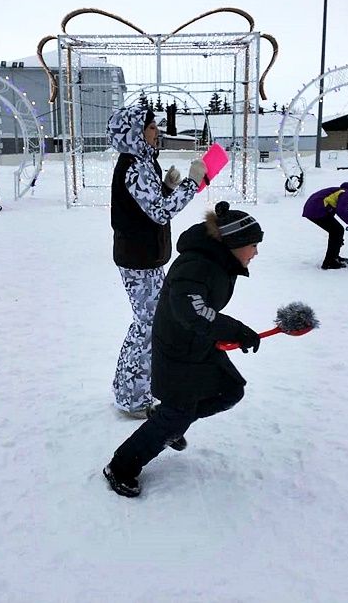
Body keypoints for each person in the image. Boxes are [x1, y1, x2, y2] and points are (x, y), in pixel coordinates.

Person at [103, 201, 264, 497]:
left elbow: (202, 314)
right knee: (177, 413)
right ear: (236, 243)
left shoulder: (220, 260)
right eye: (253, 245)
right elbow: (193, 311)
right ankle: (121, 466)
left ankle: (168, 423)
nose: (255, 252)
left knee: (229, 391)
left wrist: (228, 333)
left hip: (200, 343)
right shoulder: (197, 266)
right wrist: (235, 330)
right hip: (177, 349)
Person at [109, 104, 207, 418]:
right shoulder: (136, 165)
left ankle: (129, 390)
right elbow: (160, 212)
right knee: (149, 325)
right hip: (139, 260)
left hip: (144, 257)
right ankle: (134, 399)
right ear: (135, 133)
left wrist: (167, 187)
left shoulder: (141, 161)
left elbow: (149, 204)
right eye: (151, 127)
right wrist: (192, 183)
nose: (157, 132)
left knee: (148, 323)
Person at [302, 182, 348, 269]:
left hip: (315, 207)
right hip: (316, 208)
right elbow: (341, 211)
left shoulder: (346, 192)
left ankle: (334, 257)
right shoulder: (347, 194)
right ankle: (329, 262)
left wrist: (338, 240)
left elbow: (332, 207)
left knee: (337, 231)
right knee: (337, 230)